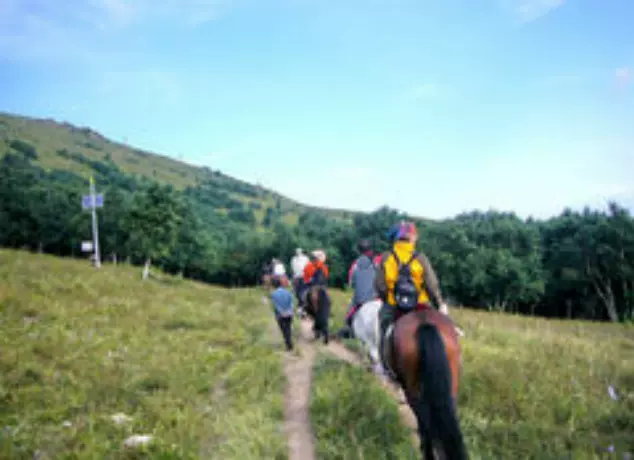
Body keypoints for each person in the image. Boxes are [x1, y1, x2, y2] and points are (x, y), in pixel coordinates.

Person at [375, 221, 450, 372]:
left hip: (394, 304)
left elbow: (380, 286)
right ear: (411, 238)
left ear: (395, 239)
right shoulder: (421, 258)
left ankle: (385, 365)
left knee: (383, 325)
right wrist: (439, 303)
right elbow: (431, 284)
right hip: (419, 304)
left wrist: (387, 298)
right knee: (443, 325)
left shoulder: (386, 257)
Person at [343, 239, 379, 333]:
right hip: (376, 297)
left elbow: (351, 283)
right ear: (371, 250)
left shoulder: (355, 264)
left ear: (359, 251)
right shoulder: (378, 262)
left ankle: (348, 328)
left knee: (349, 314)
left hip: (360, 299)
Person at [270, 277, 295, 351]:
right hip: (289, 314)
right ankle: (289, 344)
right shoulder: (288, 292)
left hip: (280, 315)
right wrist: (290, 311)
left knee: (284, 330)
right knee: (288, 328)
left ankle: (289, 345)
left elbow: (276, 305)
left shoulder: (274, 294)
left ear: (274, 285)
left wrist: (282, 312)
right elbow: (291, 303)